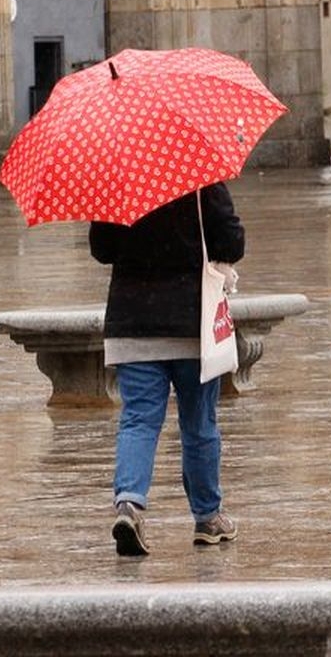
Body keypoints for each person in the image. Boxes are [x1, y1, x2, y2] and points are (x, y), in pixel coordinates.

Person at [88, 183, 245, 557]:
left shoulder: (115, 179)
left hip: (133, 323)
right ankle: (208, 517)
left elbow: (102, 249)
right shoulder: (200, 178)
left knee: (138, 420)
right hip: (192, 324)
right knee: (199, 422)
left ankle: (129, 503)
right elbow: (232, 242)